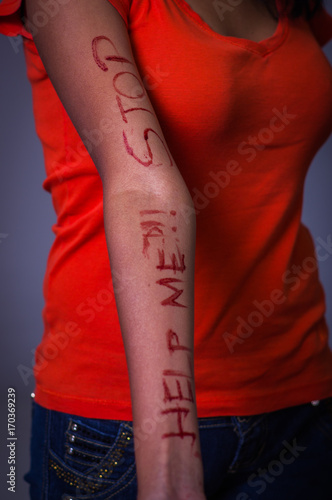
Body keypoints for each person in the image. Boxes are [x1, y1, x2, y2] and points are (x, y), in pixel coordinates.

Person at [1, 0, 332, 498]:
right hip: (123, 424)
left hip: (298, 394)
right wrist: (171, 466)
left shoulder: (290, 5)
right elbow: (142, 184)